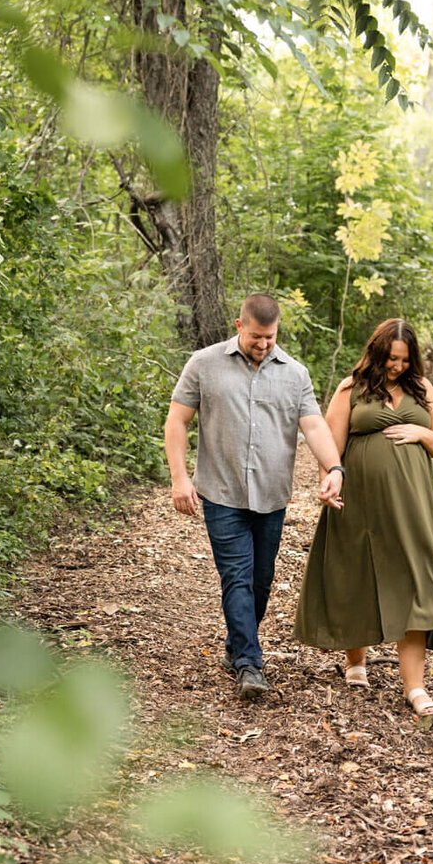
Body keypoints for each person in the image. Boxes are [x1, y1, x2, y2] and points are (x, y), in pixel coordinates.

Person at [164, 294, 345, 701]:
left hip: (271, 495)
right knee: (237, 578)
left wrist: (334, 468)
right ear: (239, 325)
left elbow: (314, 426)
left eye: (271, 337)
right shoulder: (204, 364)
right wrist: (179, 478)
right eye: (257, 337)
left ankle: (235, 645)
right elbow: (177, 420)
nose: (264, 344)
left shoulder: (294, 374)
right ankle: (249, 662)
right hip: (221, 492)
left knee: (261, 581)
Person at [294, 318, 433, 716]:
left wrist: (418, 433)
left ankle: (416, 688)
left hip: (413, 504)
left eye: (405, 360)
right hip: (360, 500)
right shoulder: (350, 388)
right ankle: (356, 661)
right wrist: (328, 484)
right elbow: (330, 447)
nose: (397, 367)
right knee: (357, 571)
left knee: (415, 578)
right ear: (377, 351)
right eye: (392, 358)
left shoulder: (421, 389)